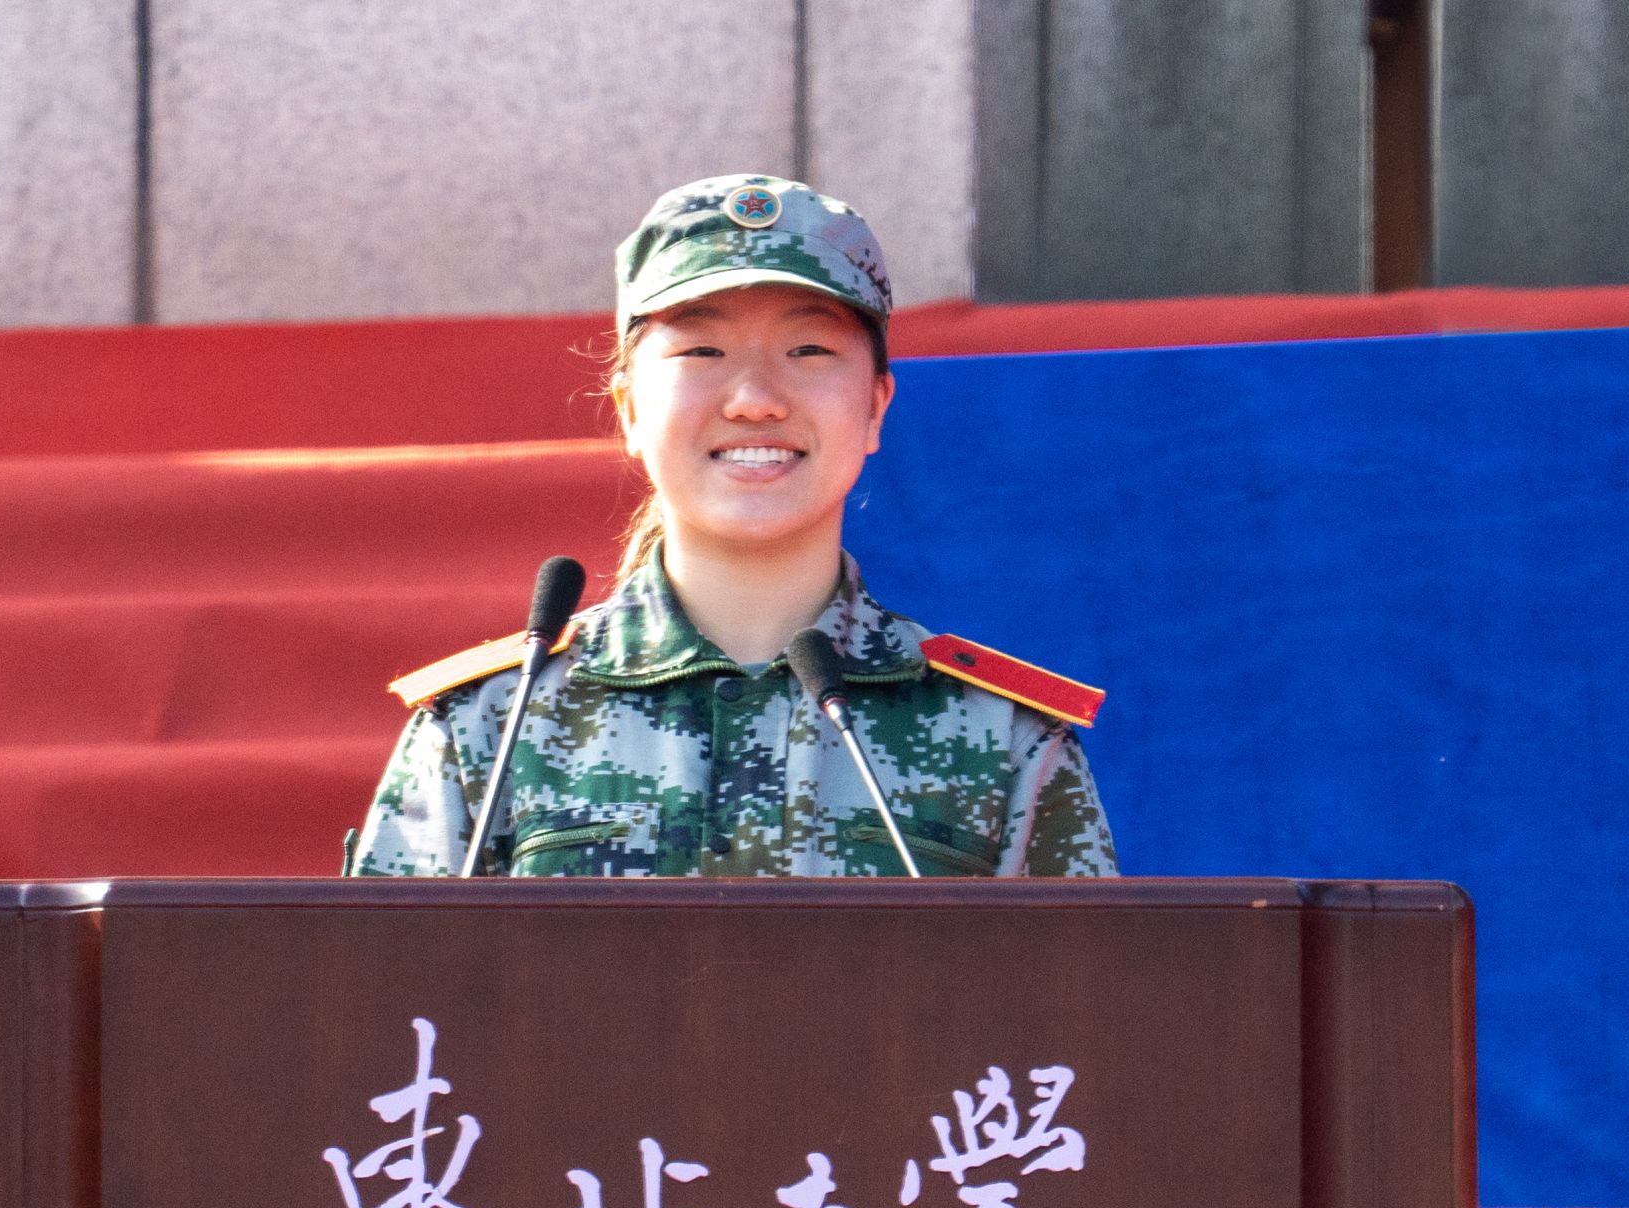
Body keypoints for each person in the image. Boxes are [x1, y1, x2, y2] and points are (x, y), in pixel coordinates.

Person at [349, 174, 1116, 878]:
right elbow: (387, 982)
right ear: (629, 410)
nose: (754, 399)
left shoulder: (1003, 739)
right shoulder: (487, 726)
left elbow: (1078, 985)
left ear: (876, 407)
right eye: (702, 350)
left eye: (809, 349)